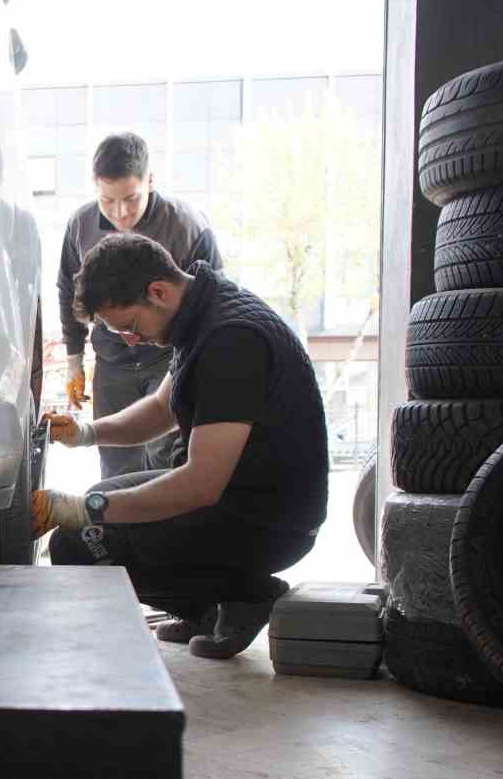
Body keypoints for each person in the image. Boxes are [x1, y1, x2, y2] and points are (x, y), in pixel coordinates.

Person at [32, 234, 328, 659]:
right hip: (241, 497)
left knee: (76, 542)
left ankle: (246, 593)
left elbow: (200, 485)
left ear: (158, 291)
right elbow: (160, 410)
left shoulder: (231, 339)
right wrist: (85, 433)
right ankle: (203, 610)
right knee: (97, 507)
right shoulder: (202, 315)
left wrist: (84, 510)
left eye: (132, 327)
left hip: (268, 522)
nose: (131, 341)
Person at [57, 133, 222, 479]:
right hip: (112, 360)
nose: (120, 213)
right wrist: (74, 360)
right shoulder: (79, 226)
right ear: (95, 186)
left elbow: (212, 301)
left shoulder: (187, 226)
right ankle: (115, 513)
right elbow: (69, 292)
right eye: (108, 200)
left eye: (130, 199)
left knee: (164, 455)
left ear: (150, 181)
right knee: (114, 461)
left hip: (168, 356)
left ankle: (157, 513)